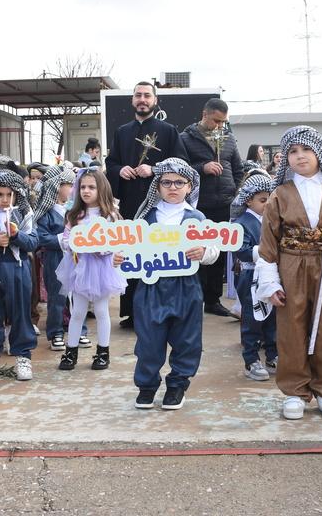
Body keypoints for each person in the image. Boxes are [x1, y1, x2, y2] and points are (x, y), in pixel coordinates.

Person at [254, 126, 322, 421]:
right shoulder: (280, 194)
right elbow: (268, 242)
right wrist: (270, 283)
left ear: (319, 152)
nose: (300, 156)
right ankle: (295, 391)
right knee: (292, 328)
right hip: (291, 267)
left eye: (306, 149)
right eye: (293, 151)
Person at [132, 159, 219, 410]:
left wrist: (203, 252)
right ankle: (147, 386)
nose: (173, 187)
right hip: (151, 286)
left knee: (187, 339)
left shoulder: (197, 217)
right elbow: (130, 248)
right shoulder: (146, 216)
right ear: (158, 186)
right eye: (167, 182)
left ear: (189, 186)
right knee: (149, 340)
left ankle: (177, 385)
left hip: (186, 287)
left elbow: (214, 251)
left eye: (179, 182)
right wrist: (121, 258)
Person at [105, 81, 188, 328]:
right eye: (138, 95)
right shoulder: (122, 132)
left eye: (147, 96)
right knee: (131, 254)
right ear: (132, 100)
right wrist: (121, 170)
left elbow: (181, 163)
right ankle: (132, 313)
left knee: (155, 254)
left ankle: (158, 311)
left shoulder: (168, 131)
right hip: (130, 205)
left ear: (155, 100)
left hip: (159, 206)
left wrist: (154, 169)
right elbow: (111, 163)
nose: (142, 100)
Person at [56, 168, 127, 370]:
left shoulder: (110, 216)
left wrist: (102, 250)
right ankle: (71, 352)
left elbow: (117, 243)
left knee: (101, 311)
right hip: (79, 268)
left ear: (101, 189)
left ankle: (103, 352)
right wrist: (74, 245)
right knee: (77, 311)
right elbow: (66, 240)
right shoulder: (74, 215)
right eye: (83, 187)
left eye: (92, 187)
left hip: (102, 270)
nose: (86, 191)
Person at [180, 98, 243, 318]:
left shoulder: (229, 139)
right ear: (204, 114)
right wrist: (203, 168)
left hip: (224, 204)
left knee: (219, 252)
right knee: (197, 251)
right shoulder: (185, 139)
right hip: (199, 205)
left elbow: (238, 168)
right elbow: (181, 169)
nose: (219, 126)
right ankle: (195, 298)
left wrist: (234, 190)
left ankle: (213, 299)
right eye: (216, 121)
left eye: (223, 122)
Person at [0, 170, 39, 384]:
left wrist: (16, 235)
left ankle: (23, 356)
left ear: (16, 194)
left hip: (18, 267)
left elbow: (33, 242)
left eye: (9, 194)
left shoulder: (23, 213)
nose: (5, 199)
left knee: (21, 312)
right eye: (0, 195)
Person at [231, 171, 277, 381]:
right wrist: (268, 251)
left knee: (273, 316)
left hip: (271, 274)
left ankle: (273, 355)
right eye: (262, 200)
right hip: (249, 275)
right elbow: (241, 251)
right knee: (252, 318)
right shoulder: (240, 222)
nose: (267, 204)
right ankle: (251, 360)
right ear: (248, 200)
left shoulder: (272, 219)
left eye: (270, 200)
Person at [34, 166, 84, 350]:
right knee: (57, 298)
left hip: (77, 258)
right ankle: (55, 332)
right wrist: (63, 239)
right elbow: (41, 237)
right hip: (54, 259)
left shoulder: (75, 210)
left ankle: (80, 331)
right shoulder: (46, 213)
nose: (73, 189)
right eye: (69, 185)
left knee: (79, 295)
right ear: (56, 187)